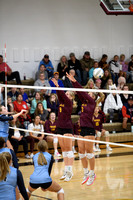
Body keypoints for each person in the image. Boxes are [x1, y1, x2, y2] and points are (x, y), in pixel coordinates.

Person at [66, 72, 96, 186]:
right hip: (82, 129)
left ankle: (92, 173)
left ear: (93, 97)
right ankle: (86, 172)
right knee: (81, 153)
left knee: (89, 153)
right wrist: (73, 82)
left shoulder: (92, 103)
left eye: (90, 93)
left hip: (89, 129)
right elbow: (79, 92)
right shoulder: (83, 102)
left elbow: (82, 92)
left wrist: (75, 81)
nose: (88, 94)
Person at [51, 78, 75, 182]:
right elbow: (60, 94)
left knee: (69, 151)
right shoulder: (62, 101)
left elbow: (62, 94)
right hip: (60, 127)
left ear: (72, 97)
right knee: (64, 151)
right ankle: (66, 170)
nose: (66, 95)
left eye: (68, 94)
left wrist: (58, 85)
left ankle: (70, 171)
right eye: (66, 93)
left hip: (67, 127)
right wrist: (56, 87)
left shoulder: (69, 103)